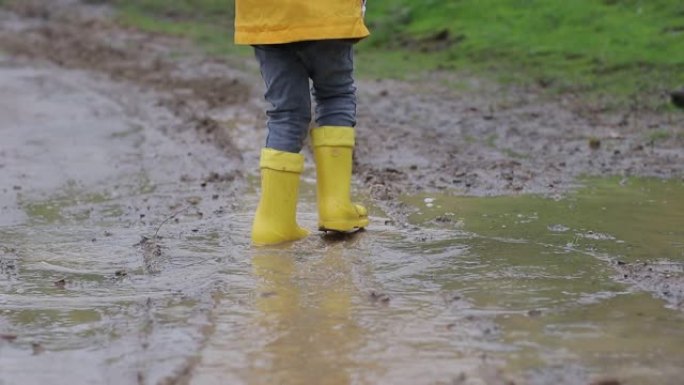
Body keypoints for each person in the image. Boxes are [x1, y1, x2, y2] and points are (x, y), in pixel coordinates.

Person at [234, 0, 370, 245]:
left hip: (266, 13)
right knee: (335, 94)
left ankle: (273, 223)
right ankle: (336, 208)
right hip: (327, 11)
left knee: (285, 112)